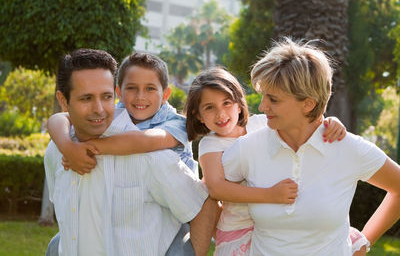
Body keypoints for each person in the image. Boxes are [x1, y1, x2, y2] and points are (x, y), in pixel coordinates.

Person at [221, 38, 400, 255]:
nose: (262, 106)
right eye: (263, 96)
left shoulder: (348, 148)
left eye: (274, 100)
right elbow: (210, 191)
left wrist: (362, 242)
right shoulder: (248, 148)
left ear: (308, 104)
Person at [44, 48, 216, 256]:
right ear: (63, 101)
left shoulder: (150, 152)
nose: (98, 108)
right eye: (86, 98)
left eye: (105, 97)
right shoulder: (57, 151)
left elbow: (205, 206)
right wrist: (69, 147)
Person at [184, 67, 347, 255]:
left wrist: (330, 122)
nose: (220, 114)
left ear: (239, 104)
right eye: (209, 107)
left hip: (280, 220)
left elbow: (301, 126)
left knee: (348, 240)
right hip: (240, 227)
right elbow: (216, 188)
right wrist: (271, 195)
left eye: (226, 103)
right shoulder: (211, 144)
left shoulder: (262, 124)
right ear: (198, 115)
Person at [47, 51, 197, 177]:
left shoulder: (177, 124)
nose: (140, 96)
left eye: (150, 89)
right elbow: (58, 118)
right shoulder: (118, 111)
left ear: (165, 94)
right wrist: (68, 147)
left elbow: (145, 141)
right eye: (132, 88)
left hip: (185, 203)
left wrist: (85, 148)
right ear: (119, 92)